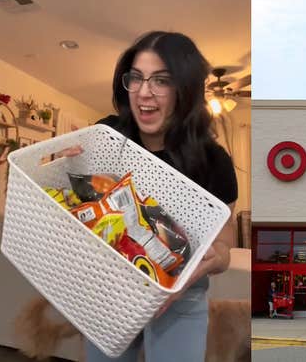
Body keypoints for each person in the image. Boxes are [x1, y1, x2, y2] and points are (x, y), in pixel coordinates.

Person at [75, 31, 238, 362]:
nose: (143, 93)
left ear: (184, 90)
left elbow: (225, 242)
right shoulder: (108, 135)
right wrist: (66, 164)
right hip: (111, 292)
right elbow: (80, 200)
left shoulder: (213, 160)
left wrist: (213, 260)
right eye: (136, 78)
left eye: (161, 81)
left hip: (181, 297)